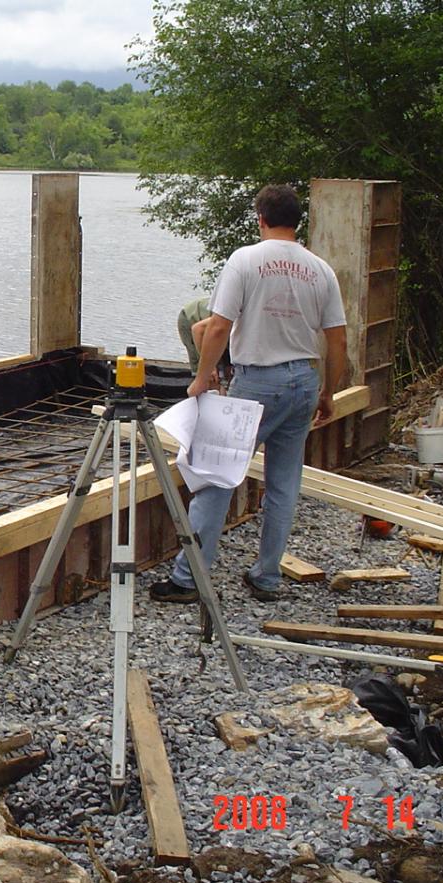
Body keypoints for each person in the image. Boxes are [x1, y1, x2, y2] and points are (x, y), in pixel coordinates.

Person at [151, 184, 348, 603]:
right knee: (283, 483)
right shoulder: (320, 270)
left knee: (215, 475)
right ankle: (267, 577)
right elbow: (338, 339)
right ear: (299, 221)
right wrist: (328, 391)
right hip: (303, 381)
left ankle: (190, 580)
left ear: (260, 218)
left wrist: (202, 379)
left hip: (258, 380)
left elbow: (217, 327)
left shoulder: (245, 260)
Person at [178, 296, 233, 387]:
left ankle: (225, 397)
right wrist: (209, 367)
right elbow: (197, 330)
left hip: (223, 332)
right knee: (208, 375)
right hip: (191, 321)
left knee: (227, 372)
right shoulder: (233, 319)